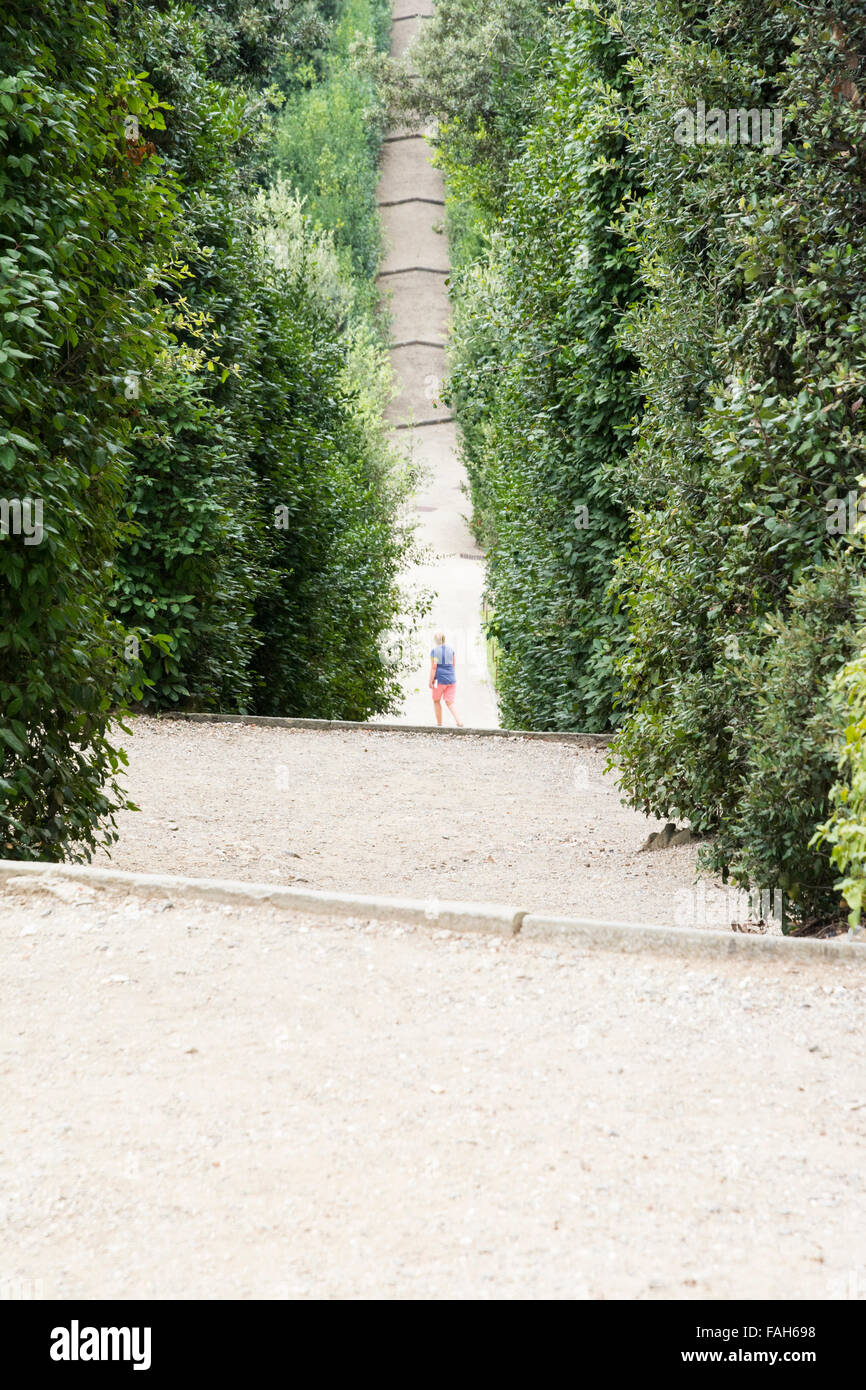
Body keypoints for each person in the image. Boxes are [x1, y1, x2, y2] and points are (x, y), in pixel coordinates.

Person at [429, 631, 463, 727]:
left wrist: (430, 681)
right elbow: (453, 665)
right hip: (451, 680)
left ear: (435, 640)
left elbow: (434, 667)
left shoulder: (434, 652)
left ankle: (439, 724)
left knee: (436, 700)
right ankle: (459, 721)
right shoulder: (451, 650)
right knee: (450, 702)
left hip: (439, 680)